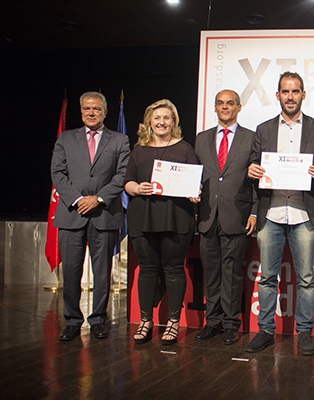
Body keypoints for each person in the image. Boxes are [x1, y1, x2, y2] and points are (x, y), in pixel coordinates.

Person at [245, 71, 314, 355]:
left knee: (306, 278)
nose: (290, 96)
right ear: (278, 95)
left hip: (303, 213)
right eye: (285, 91)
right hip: (270, 212)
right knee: (268, 276)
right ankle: (266, 330)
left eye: (295, 91)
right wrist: (252, 170)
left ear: (303, 95)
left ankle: (304, 332)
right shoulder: (264, 128)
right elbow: (253, 164)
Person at [51, 91, 130, 341]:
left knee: (102, 272)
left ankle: (98, 320)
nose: (91, 113)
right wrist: (77, 199)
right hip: (71, 213)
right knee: (72, 272)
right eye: (87, 109)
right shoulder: (65, 138)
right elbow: (57, 172)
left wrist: (97, 198)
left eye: (96, 109)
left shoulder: (120, 140)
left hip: (104, 214)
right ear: (81, 111)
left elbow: (122, 175)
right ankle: (72, 321)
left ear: (105, 112)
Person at [124, 99, 200, 345]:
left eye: (167, 118)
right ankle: (145, 321)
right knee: (147, 269)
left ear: (174, 122)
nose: (161, 122)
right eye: (156, 118)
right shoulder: (138, 150)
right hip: (143, 217)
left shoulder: (186, 149)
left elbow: (195, 182)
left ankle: (173, 323)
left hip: (176, 218)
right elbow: (127, 182)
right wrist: (137, 187)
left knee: (174, 269)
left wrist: (194, 191)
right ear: (149, 122)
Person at [194, 90, 256, 344]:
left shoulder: (252, 138)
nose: (225, 107)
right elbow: (195, 174)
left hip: (237, 215)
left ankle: (231, 323)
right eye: (220, 103)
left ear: (239, 107)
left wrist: (254, 211)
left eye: (230, 103)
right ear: (215, 107)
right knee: (212, 272)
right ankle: (212, 321)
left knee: (232, 272)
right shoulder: (201, 139)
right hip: (208, 215)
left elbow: (257, 178)